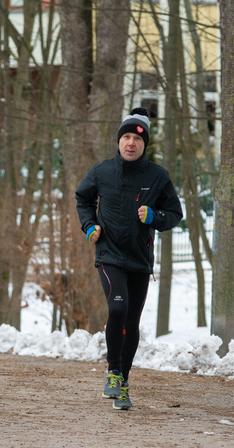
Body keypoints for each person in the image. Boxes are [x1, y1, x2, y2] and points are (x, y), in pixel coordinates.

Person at [75, 108, 183, 410]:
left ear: (144, 144)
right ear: (118, 141)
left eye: (136, 139)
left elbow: (175, 214)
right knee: (118, 307)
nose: (130, 143)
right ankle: (112, 372)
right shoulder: (102, 171)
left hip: (139, 257)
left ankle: (123, 382)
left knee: (132, 320)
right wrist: (90, 226)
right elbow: (82, 198)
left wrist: (154, 217)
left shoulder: (158, 177)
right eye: (125, 137)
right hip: (109, 253)